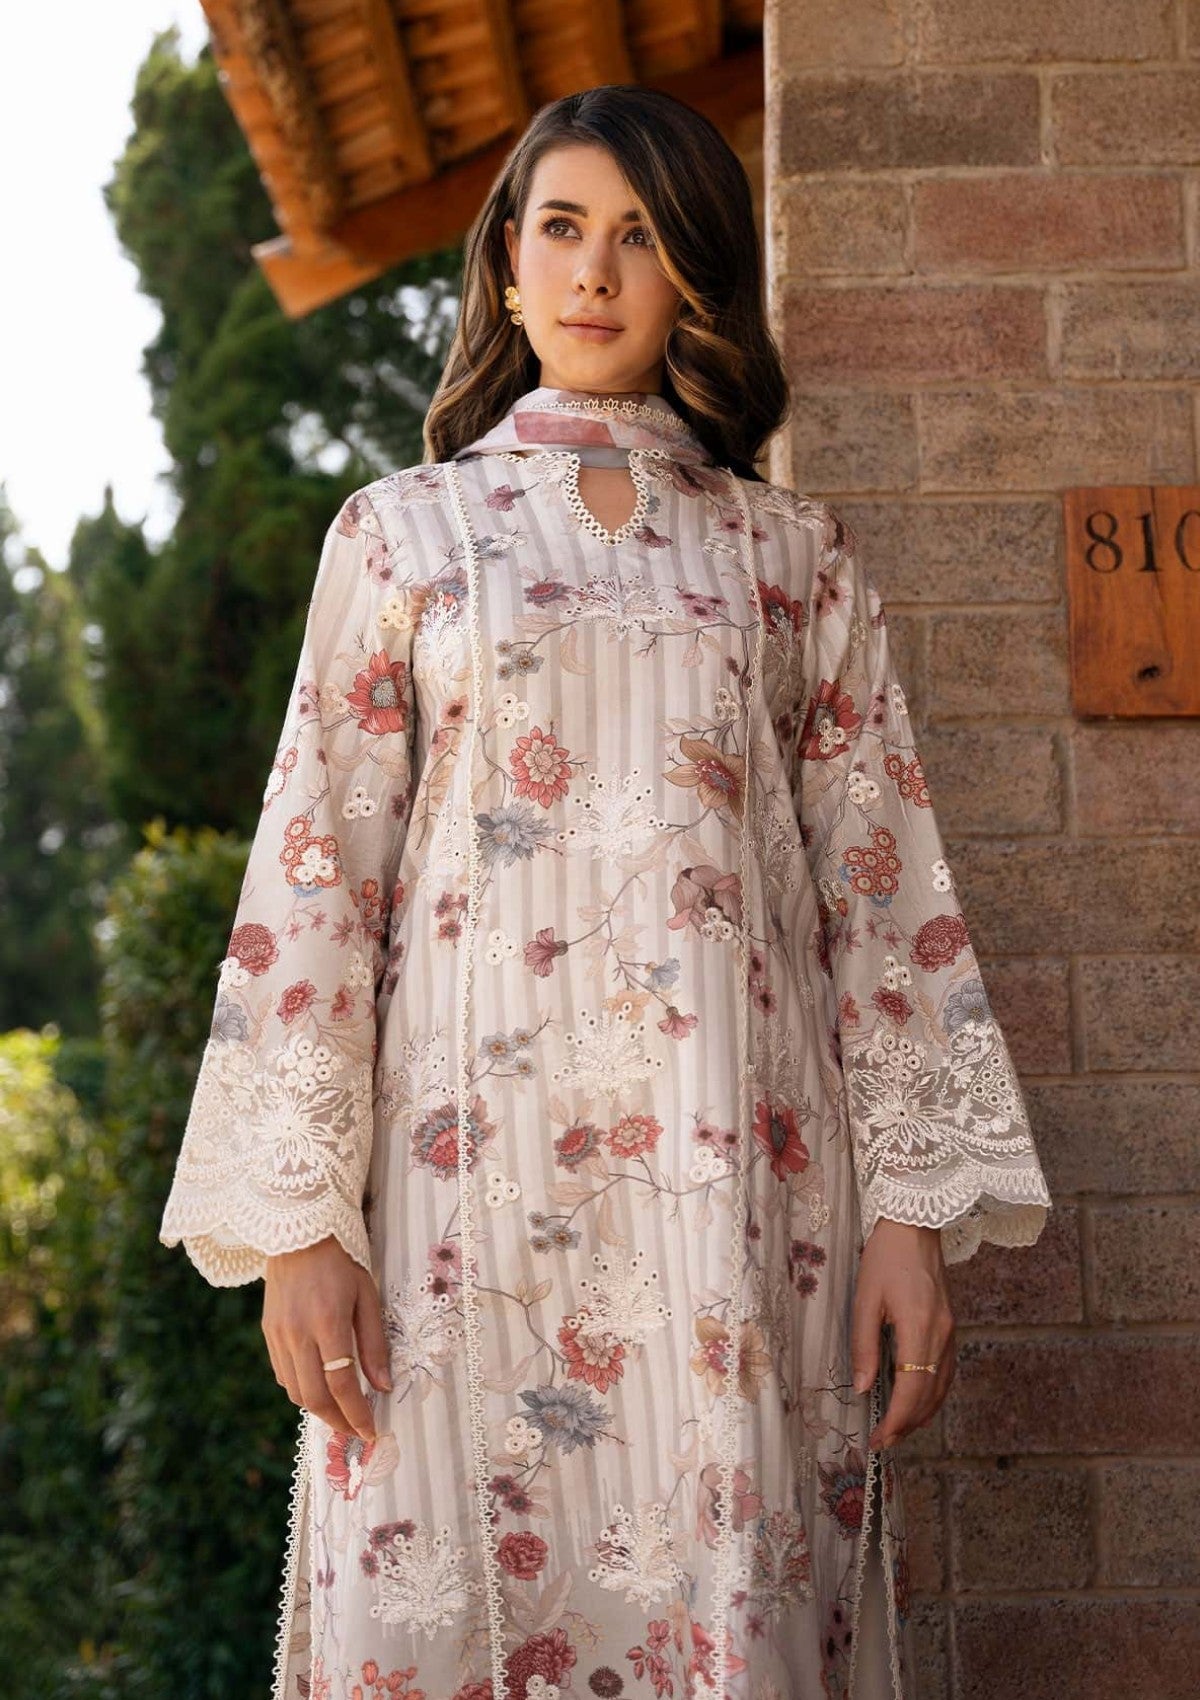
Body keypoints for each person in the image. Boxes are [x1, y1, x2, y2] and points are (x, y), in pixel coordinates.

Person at [158, 83, 1053, 1700]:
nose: (593, 271)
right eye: (562, 228)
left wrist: (912, 1218)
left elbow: (879, 889)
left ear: (694, 274)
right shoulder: (401, 538)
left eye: (640, 237)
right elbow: (318, 880)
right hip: (452, 1211)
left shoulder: (792, 558)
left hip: (741, 1210)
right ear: (506, 264)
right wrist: (299, 1229)